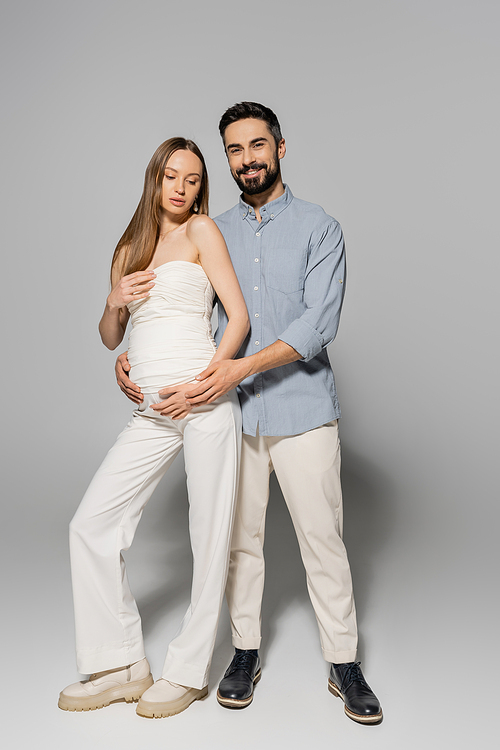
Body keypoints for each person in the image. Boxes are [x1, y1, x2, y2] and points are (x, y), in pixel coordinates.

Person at [116, 103, 382, 725]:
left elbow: (316, 326)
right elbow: (184, 312)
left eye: (257, 146)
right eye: (234, 151)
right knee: (240, 541)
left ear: (281, 148)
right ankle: (244, 652)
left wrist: (239, 368)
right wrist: (132, 352)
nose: (247, 159)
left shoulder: (321, 227)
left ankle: (344, 662)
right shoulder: (211, 230)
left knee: (323, 539)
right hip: (229, 413)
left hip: (303, 407)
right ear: (227, 160)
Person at [58, 137, 249, 719]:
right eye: (172, 177)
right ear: (155, 178)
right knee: (90, 525)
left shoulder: (202, 233)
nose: (182, 189)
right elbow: (111, 335)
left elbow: (237, 318)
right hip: (151, 411)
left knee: (207, 536)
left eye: (193, 180)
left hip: (204, 402)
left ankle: (187, 671)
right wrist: (115, 302)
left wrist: (212, 379)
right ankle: (120, 665)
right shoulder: (129, 247)